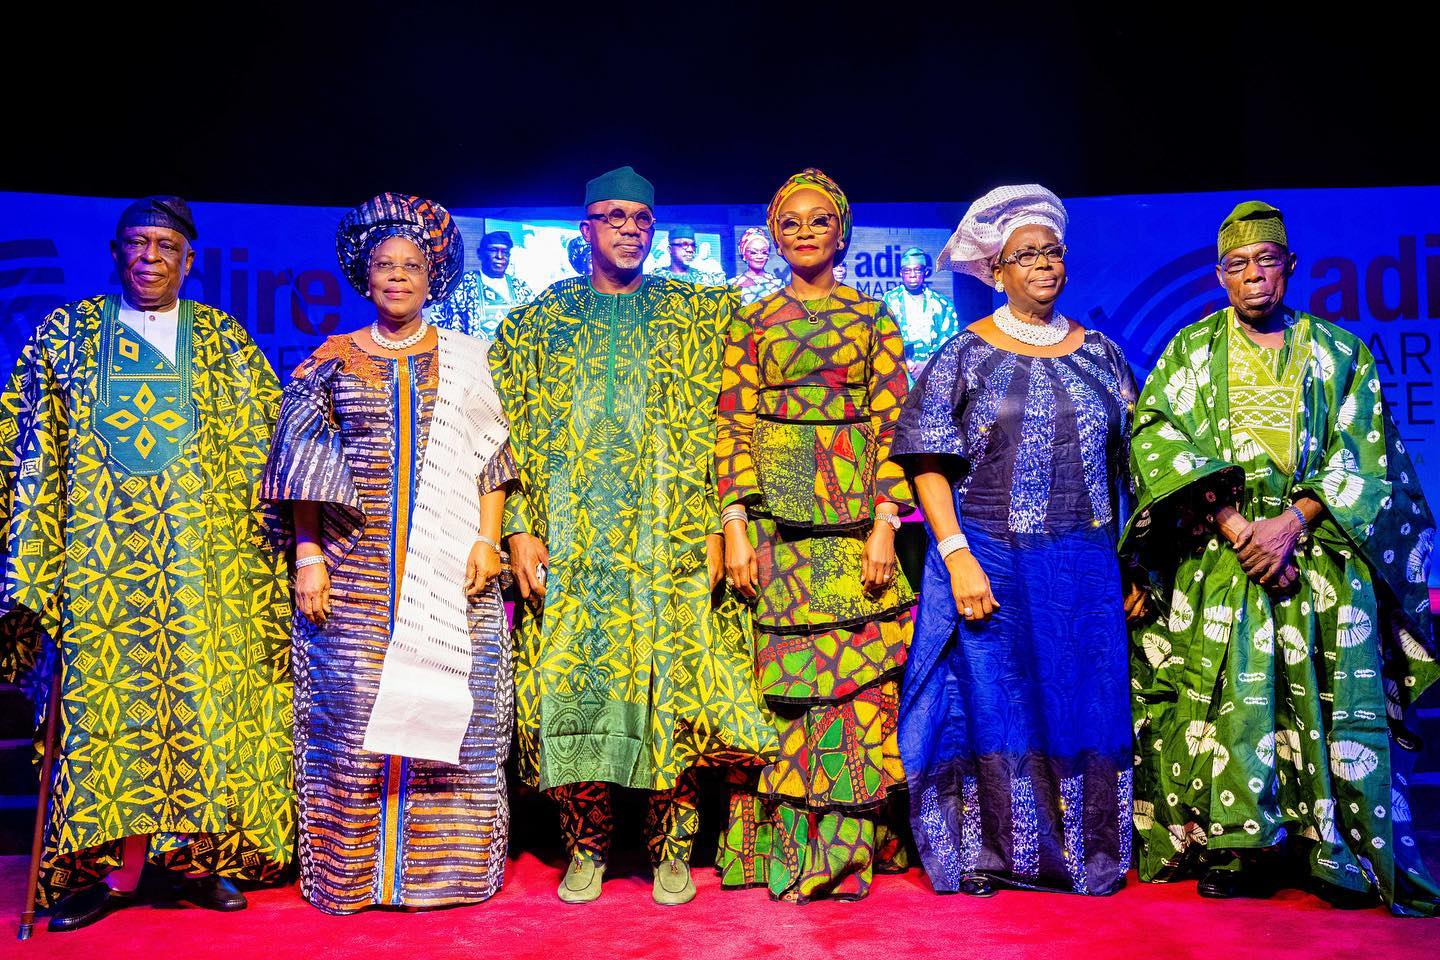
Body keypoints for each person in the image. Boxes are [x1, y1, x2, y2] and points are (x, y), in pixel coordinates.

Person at [1123, 201, 1440, 915]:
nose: (1253, 275)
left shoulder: (1341, 352)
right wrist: (1240, 526)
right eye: (1237, 265)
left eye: (1266, 261)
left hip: (1320, 552)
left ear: (1291, 268)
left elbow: (1369, 458)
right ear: (1219, 276)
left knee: (1337, 705)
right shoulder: (1190, 351)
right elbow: (1157, 441)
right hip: (1223, 550)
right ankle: (1241, 848)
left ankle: (1336, 848)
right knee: (1232, 701)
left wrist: (1291, 524)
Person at [0, 196, 294, 932]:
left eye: (166, 245)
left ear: (189, 261)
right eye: (137, 243)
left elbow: (268, 447)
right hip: (96, 571)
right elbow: (28, 446)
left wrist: (274, 559)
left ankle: (192, 864)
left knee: (201, 707)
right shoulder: (63, 337)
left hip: (203, 568)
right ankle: (97, 873)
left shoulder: (224, 342)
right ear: (114, 252)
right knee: (98, 718)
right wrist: (35, 564)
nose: (150, 257)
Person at [490, 165, 776, 906]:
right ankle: (584, 848)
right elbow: (503, 435)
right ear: (585, 229)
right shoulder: (535, 324)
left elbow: (732, 419)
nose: (628, 229)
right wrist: (517, 531)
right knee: (570, 689)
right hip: (573, 546)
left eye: (641, 220)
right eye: (613, 217)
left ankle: (670, 849)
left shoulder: (699, 314)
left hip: (669, 541)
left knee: (668, 692)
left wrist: (726, 520)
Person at [261, 193, 516, 914]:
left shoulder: (468, 361)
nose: (397, 277)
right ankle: (357, 877)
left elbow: (493, 461)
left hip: (449, 569)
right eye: (384, 266)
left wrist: (486, 540)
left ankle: (445, 877)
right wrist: (308, 558)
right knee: (357, 717)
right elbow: (300, 468)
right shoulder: (331, 362)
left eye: (411, 266)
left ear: (431, 278)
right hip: (357, 574)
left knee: (453, 711)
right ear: (364, 276)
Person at [890, 185, 1141, 898]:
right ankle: (1001, 853)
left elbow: (1132, 468)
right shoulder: (964, 354)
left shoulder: (1103, 355)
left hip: (1085, 567)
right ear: (997, 271)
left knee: (1085, 702)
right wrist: (956, 554)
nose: (1043, 263)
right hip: (990, 561)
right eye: (1025, 254)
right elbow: (927, 462)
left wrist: (1129, 564)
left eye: (1052, 250)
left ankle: (1090, 854)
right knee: (996, 701)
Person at [715, 168, 914, 902]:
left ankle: (843, 855)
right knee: (789, 695)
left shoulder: (872, 318)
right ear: (773, 235)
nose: (803, 232)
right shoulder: (754, 320)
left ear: (842, 232)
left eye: (818, 221)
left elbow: (896, 422)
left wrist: (887, 523)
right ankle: (782, 854)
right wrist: (734, 520)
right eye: (789, 222)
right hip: (777, 533)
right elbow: (733, 419)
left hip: (855, 529)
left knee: (856, 695)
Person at [428, 230, 536, 339]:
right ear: (480, 254)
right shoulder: (463, 285)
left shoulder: (521, 288)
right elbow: (444, 326)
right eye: (494, 250)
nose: (500, 256)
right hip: (473, 354)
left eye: (505, 252)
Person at [883, 247, 959, 374]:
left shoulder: (942, 304)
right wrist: (904, 360)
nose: (912, 275)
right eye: (907, 270)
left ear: (926, 272)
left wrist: (928, 364)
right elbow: (882, 336)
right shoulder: (889, 300)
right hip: (898, 370)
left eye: (917, 270)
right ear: (901, 273)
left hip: (933, 371)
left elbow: (951, 343)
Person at [652, 224, 724, 285]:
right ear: (670, 249)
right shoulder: (656, 277)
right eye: (684, 245)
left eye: (693, 245)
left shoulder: (703, 279)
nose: (690, 250)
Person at [728, 227, 785, 305]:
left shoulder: (778, 284)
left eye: (764, 252)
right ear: (743, 254)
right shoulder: (732, 284)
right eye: (753, 252)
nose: (760, 256)